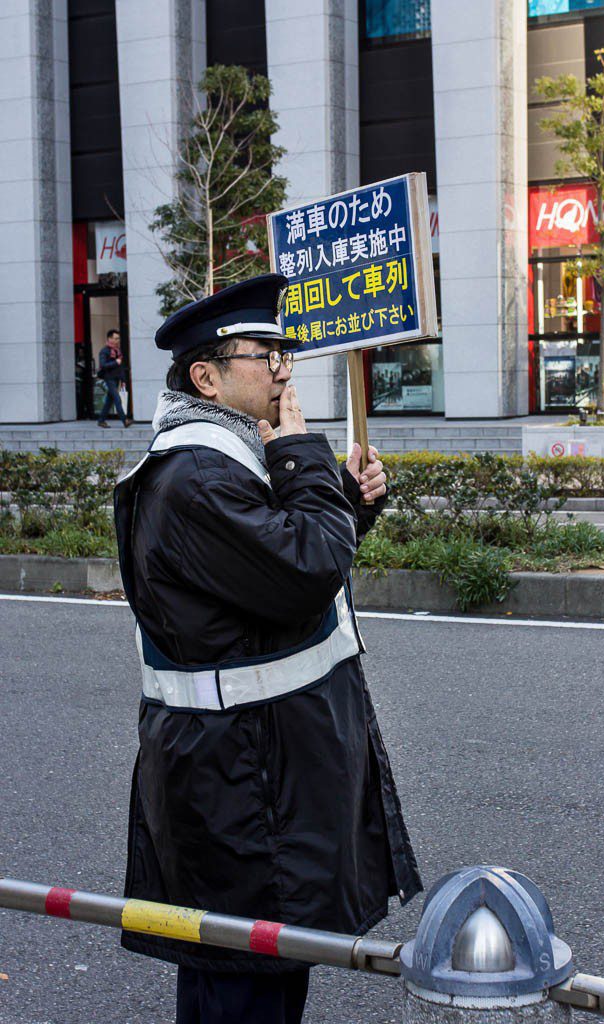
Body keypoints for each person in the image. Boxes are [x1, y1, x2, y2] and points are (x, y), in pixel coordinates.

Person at [113, 274, 422, 1024]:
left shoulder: (229, 457)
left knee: (263, 971)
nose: (284, 369)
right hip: (242, 783)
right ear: (206, 376)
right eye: (266, 355)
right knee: (242, 982)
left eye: (286, 353)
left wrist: (345, 501)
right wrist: (306, 461)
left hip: (256, 770)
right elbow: (305, 572)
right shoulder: (196, 472)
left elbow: (268, 582)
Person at [97, 328, 132, 427]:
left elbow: (120, 368)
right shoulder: (104, 351)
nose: (117, 341)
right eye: (115, 338)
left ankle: (101, 420)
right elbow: (103, 365)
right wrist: (115, 362)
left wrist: (123, 380)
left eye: (118, 338)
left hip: (116, 379)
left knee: (109, 400)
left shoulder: (117, 351)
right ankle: (125, 421)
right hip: (109, 378)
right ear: (109, 339)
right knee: (117, 399)